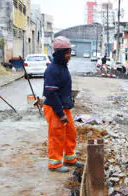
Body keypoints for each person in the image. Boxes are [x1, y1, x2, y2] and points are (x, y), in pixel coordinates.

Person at [42, 36, 83, 172]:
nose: (69, 55)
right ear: (60, 53)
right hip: (55, 107)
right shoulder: (53, 70)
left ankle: (69, 158)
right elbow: (51, 94)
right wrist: (60, 113)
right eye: (67, 53)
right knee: (57, 135)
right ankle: (54, 163)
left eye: (69, 52)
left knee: (70, 132)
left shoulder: (62, 67)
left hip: (64, 106)